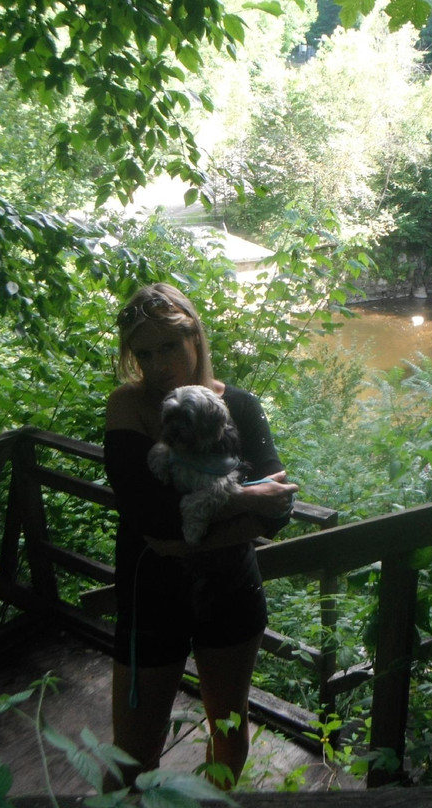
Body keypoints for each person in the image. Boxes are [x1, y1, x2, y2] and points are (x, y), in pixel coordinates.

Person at [103, 282, 299, 790]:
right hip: (151, 599)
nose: (157, 363)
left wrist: (191, 528)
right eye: (144, 353)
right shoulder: (127, 405)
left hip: (231, 592)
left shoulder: (240, 404)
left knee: (228, 734)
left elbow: (278, 512)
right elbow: (152, 520)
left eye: (168, 345)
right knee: (131, 755)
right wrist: (243, 502)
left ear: (195, 336)